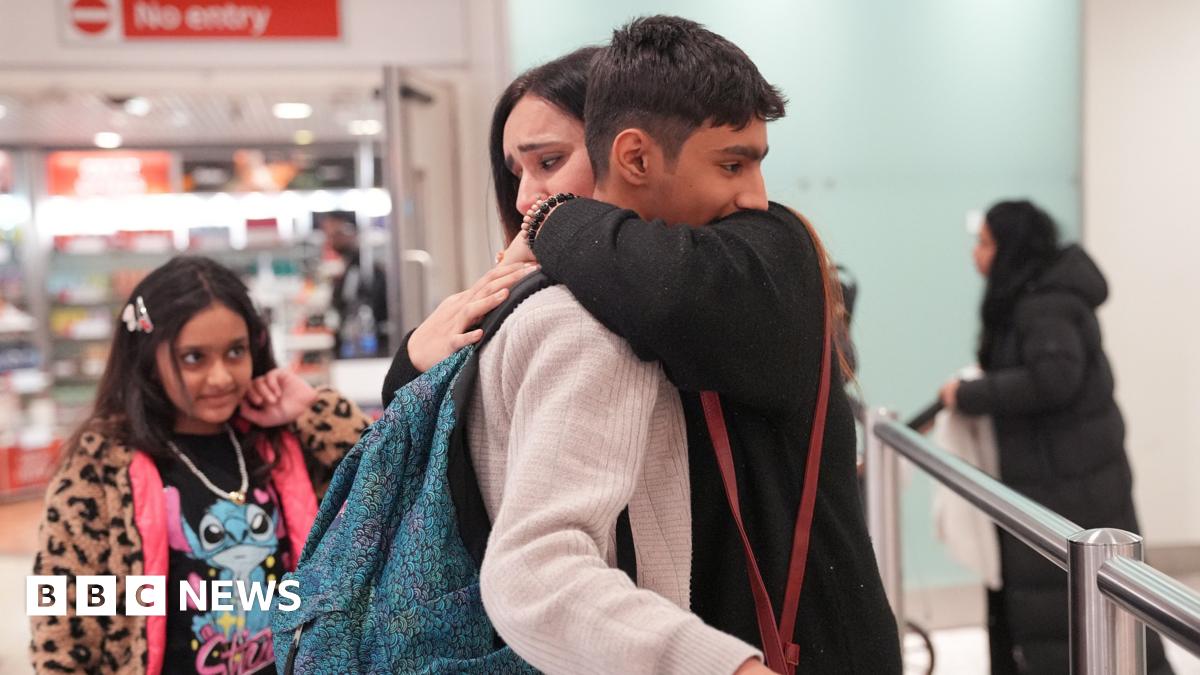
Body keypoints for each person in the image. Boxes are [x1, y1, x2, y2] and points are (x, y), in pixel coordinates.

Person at [387, 16, 900, 674]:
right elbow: (434, 459)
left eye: (549, 162)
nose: (525, 196)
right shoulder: (563, 310)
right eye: (515, 171)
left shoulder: (755, 249)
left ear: (622, 156)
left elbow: (668, 291)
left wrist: (556, 218)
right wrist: (417, 360)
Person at [30, 256, 372, 675]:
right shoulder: (103, 466)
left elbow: (383, 496)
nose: (221, 377)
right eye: (194, 358)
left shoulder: (280, 443)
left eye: (235, 351)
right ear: (148, 357)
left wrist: (314, 410)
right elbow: (63, 618)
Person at [939, 200, 1174, 675]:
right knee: (1078, 617)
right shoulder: (1040, 296)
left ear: (1012, 248)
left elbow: (1053, 379)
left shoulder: (1044, 303)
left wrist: (970, 395)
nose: (975, 254)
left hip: (1070, 486)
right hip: (1066, 476)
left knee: (1075, 617)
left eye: (985, 242)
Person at [319, 211, 390, 357]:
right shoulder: (348, 266)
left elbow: (364, 308)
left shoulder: (365, 268)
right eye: (328, 234)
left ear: (350, 232)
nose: (331, 239)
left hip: (363, 348)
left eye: (335, 233)